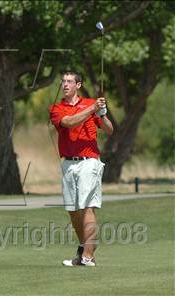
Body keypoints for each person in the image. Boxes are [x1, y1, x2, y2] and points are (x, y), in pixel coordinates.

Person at [49, 71, 114, 266]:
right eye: (63, 81)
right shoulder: (57, 108)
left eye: (69, 81)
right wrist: (92, 109)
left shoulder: (90, 104)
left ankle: (87, 257)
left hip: (89, 161)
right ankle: (86, 248)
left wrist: (102, 114)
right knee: (72, 210)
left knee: (87, 207)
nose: (65, 84)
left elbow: (110, 130)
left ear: (78, 85)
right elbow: (69, 123)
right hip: (68, 163)